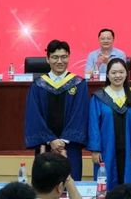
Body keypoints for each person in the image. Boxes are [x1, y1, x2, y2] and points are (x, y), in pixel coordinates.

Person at [24, 40, 89, 181]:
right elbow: (34, 116)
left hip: (70, 147)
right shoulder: (38, 85)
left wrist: (63, 140)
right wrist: (50, 140)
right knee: (46, 184)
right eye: (55, 57)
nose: (60, 61)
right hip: (45, 146)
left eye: (64, 57)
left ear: (69, 57)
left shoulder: (79, 84)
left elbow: (80, 114)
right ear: (48, 59)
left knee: (70, 184)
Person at [88, 58, 131, 191]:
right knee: (105, 181)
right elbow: (93, 125)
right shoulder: (99, 97)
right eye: (113, 73)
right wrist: (95, 149)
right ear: (107, 75)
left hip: (128, 149)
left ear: (127, 74)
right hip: (105, 149)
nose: (118, 76)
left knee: (127, 182)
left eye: (121, 72)